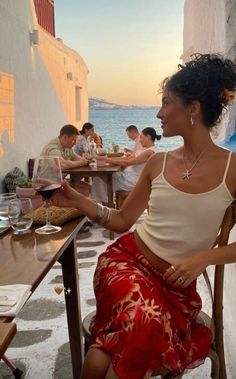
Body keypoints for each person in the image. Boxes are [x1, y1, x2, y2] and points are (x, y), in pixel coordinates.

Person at [49, 54, 236, 379]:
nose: (158, 113)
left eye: (167, 103)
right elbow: (121, 220)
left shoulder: (231, 170)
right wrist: (77, 200)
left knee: (98, 361)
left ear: (193, 109)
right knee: (141, 324)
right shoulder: (157, 163)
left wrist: (206, 257)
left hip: (174, 289)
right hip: (126, 264)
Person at [91, 127, 161, 203]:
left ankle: (104, 206)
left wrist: (105, 160)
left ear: (148, 137)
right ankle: (104, 203)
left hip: (133, 181)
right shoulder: (149, 150)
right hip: (129, 176)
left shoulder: (149, 152)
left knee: (99, 179)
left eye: (141, 137)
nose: (140, 140)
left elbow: (127, 163)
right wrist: (108, 159)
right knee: (101, 178)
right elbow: (126, 159)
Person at [40, 124, 90, 195]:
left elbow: (76, 157)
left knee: (86, 187)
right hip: (46, 185)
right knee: (83, 190)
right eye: (73, 140)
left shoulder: (66, 146)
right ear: (65, 137)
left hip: (58, 182)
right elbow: (59, 165)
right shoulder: (53, 148)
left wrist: (84, 159)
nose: (75, 143)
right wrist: (82, 163)